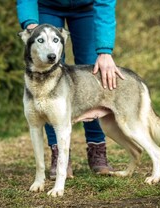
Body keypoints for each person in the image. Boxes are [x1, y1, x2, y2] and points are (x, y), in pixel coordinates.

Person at [16, 0, 124, 179]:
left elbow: (105, 3)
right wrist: (31, 24)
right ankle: (58, 154)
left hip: (88, 8)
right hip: (46, 6)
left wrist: (105, 51)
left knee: (93, 70)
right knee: (48, 73)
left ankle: (97, 147)